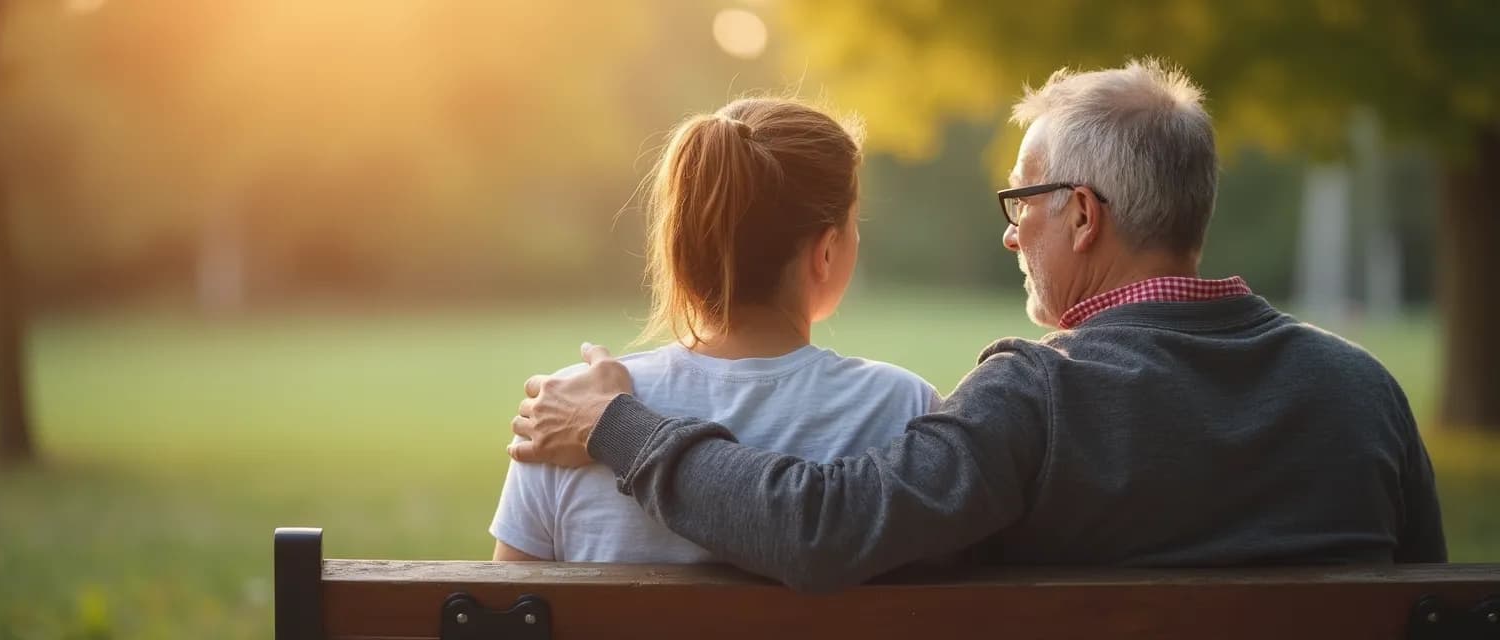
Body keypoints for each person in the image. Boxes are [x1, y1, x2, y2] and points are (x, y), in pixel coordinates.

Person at [508, 59, 1448, 591]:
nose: (1010, 234)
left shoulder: (1037, 397)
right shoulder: (1360, 390)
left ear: (1083, 215)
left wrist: (619, 426)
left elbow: (822, 529)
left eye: (1023, 200)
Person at [490, 97, 940, 562]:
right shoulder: (905, 408)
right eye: (853, 224)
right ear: (825, 252)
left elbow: (509, 605)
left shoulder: (567, 409)